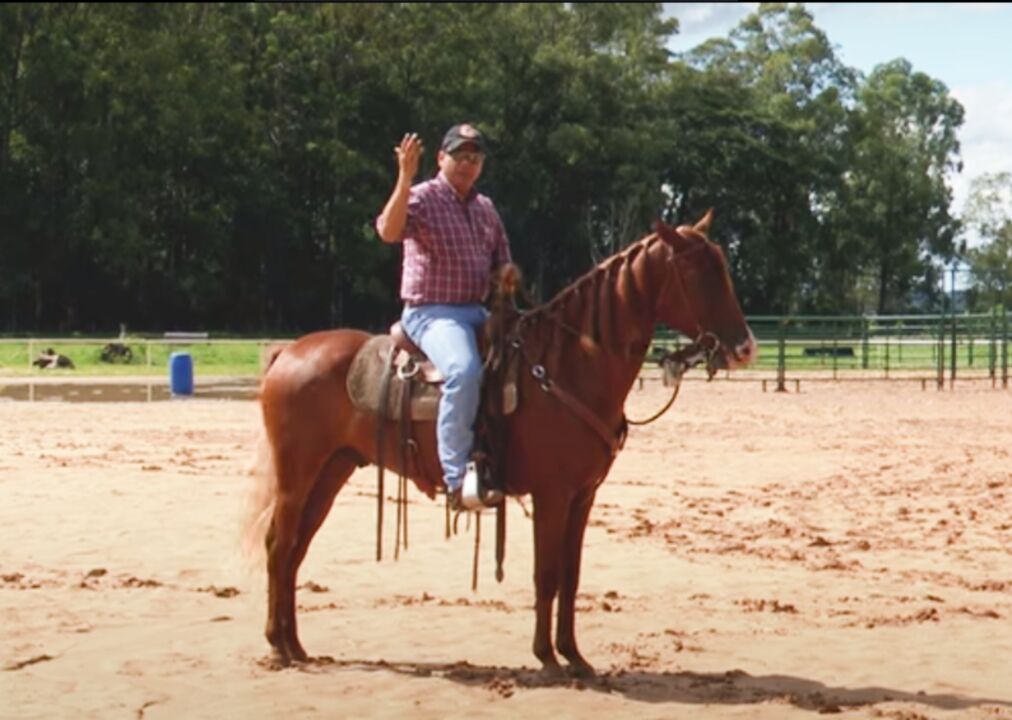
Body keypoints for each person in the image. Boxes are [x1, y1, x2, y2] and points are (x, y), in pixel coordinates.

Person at [375, 123, 511, 512]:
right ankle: (455, 479)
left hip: (477, 309)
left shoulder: (486, 209)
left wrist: (508, 296)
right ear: (440, 159)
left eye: (475, 157)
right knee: (465, 369)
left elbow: (502, 263)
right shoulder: (423, 197)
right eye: (459, 156)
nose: (467, 165)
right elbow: (388, 230)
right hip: (431, 313)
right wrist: (404, 177)